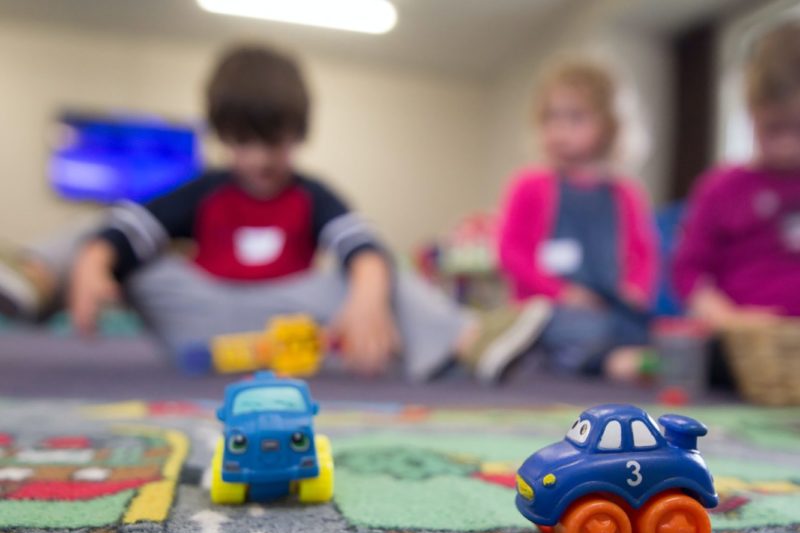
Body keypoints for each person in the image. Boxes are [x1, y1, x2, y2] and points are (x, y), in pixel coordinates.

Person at [0, 44, 548, 383]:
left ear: (299, 135)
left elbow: (361, 246)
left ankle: (468, 340)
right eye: (244, 142)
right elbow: (129, 229)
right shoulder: (206, 189)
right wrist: (96, 261)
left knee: (375, 271)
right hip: (198, 317)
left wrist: (365, 293)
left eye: (275, 142)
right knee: (96, 232)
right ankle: (35, 275)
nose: (260, 159)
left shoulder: (311, 194)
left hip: (287, 321)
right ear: (222, 136)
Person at [496, 59, 659, 381]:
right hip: (546, 308)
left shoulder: (625, 193)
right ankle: (595, 360)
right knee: (559, 326)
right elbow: (511, 254)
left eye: (575, 118)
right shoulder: (530, 186)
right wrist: (563, 294)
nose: (559, 130)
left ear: (608, 126)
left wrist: (634, 290)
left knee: (643, 328)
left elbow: (643, 254)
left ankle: (590, 358)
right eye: (550, 118)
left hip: (605, 306)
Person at [673, 22, 800, 330]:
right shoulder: (721, 187)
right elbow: (689, 273)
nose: (785, 144)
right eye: (772, 129)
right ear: (751, 114)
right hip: (737, 345)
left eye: (797, 129)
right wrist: (730, 320)